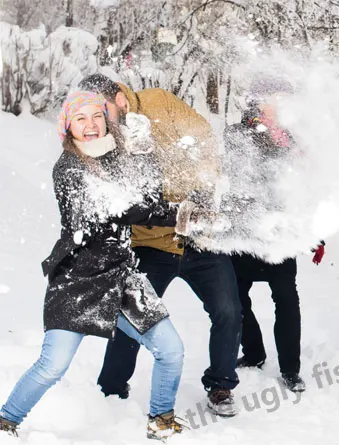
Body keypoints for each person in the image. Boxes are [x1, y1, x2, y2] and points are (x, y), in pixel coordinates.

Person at [0, 92, 188, 440]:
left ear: (106, 119)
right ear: (68, 126)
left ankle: (161, 419)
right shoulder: (67, 168)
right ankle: (6, 420)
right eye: (80, 118)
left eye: (96, 116)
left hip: (122, 274)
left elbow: (148, 198)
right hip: (78, 279)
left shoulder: (120, 158)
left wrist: (145, 155)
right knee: (52, 365)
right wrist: (172, 216)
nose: (90, 125)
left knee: (171, 349)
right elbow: (106, 211)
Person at [78, 74, 243, 417]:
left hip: (200, 240)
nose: (97, 119)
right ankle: (110, 389)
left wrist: (201, 186)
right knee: (131, 316)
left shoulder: (159, 102)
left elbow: (202, 139)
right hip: (151, 244)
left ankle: (221, 385)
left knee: (228, 310)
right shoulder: (105, 140)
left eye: (101, 109)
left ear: (119, 98)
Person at [223, 78, 322, 392]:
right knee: (237, 300)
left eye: (284, 99)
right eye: (273, 98)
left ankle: (290, 369)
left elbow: (307, 190)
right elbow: (233, 179)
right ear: (256, 101)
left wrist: (315, 232)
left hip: (281, 233)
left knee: (287, 300)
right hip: (244, 231)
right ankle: (253, 352)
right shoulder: (236, 135)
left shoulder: (295, 140)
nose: (279, 105)